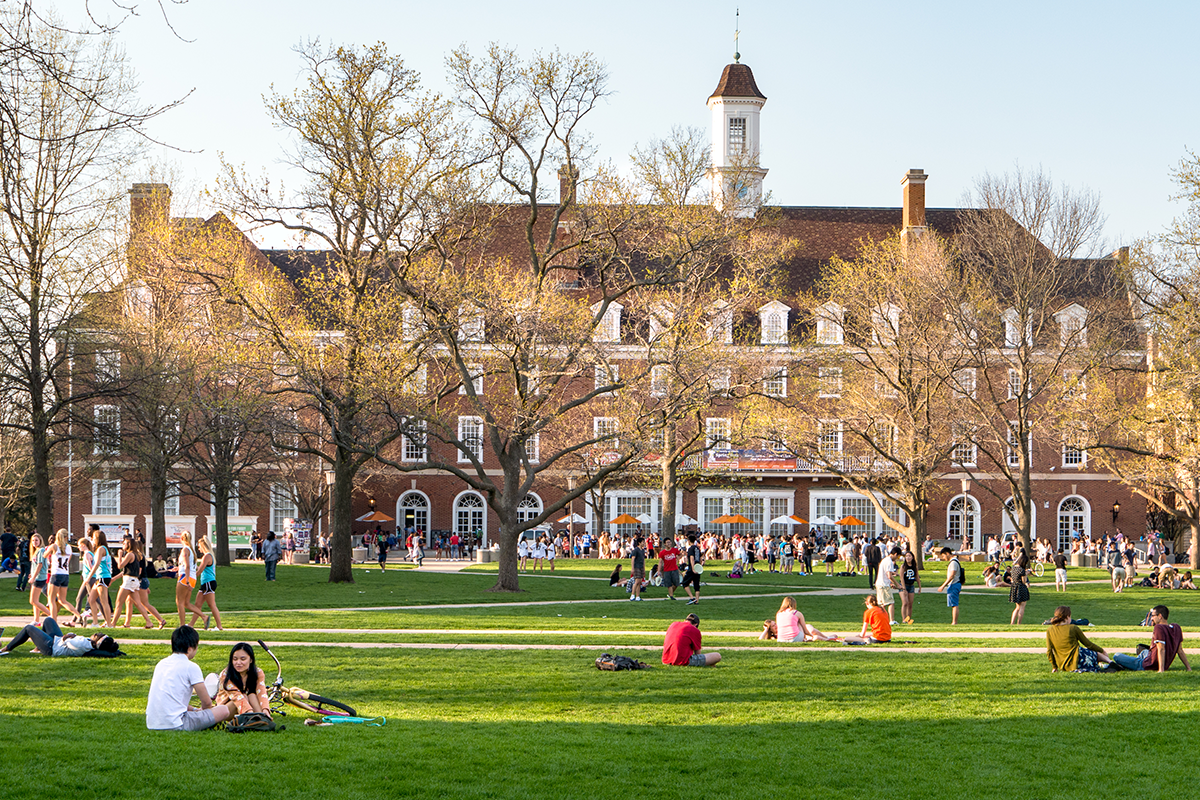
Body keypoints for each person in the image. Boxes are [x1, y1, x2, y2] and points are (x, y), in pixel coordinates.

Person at [146, 625, 237, 731]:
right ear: (190, 649)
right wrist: (205, 712)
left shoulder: (161, 664)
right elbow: (207, 702)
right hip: (177, 724)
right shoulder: (191, 666)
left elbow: (173, 701)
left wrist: (194, 710)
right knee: (224, 710)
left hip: (152, 723)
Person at [1111, 605, 1192, 672]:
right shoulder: (1176, 627)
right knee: (1144, 652)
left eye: (1153, 615)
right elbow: (1180, 650)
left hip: (1148, 665)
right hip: (1154, 659)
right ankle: (1128, 664)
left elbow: (1161, 649)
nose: (1151, 618)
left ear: (1160, 616)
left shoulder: (1159, 628)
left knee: (1117, 656)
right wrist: (1188, 668)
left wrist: (1161, 669)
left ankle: (1123, 665)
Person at [116, 536, 167, 629]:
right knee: (129, 601)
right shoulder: (138, 555)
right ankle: (127, 623)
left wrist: (140, 584)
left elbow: (138, 571)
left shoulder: (137, 556)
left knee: (143, 603)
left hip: (139, 580)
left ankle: (160, 620)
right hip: (140, 580)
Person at [0, 619, 120, 656]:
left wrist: (68, 636)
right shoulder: (89, 643)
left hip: (51, 647)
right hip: (57, 641)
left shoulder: (82, 645)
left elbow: (66, 640)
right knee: (48, 620)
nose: (96, 633)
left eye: (98, 635)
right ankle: (37, 648)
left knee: (28, 628)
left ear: (97, 641)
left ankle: (7, 648)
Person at [1045, 606, 1111, 672]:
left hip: (1063, 665)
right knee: (1093, 652)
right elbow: (1088, 644)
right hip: (1077, 661)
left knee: (1085, 651)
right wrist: (1102, 650)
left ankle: (1107, 662)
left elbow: (1049, 651)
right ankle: (1110, 662)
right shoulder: (1073, 628)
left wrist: (1054, 667)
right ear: (1068, 617)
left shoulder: (1049, 630)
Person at [215, 642, 271, 716]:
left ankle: (262, 718)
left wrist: (265, 709)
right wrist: (249, 712)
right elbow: (236, 696)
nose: (238, 662)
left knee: (252, 696)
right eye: (235, 659)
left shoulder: (258, 672)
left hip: (245, 704)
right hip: (226, 709)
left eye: (243, 659)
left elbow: (262, 692)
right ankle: (252, 719)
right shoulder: (226, 674)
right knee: (243, 696)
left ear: (251, 660)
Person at [759, 596, 838, 642]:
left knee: (807, 627)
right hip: (795, 638)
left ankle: (827, 638)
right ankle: (826, 638)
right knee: (799, 623)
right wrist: (810, 636)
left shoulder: (778, 613)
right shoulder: (796, 613)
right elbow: (804, 629)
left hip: (781, 639)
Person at [44, 529, 80, 625]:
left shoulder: (54, 546)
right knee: (62, 600)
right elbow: (67, 561)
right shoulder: (69, 548)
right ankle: (79, 616)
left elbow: (44, 556)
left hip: (56, 574)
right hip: (65, 574)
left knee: (51, 599)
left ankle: (54, 621)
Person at [174, 531, 207, 626]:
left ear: (182, 539)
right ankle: (204, 617)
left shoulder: (185, 550)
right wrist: (178, 568)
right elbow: (188, 565)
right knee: (186, 603)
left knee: (179, 602)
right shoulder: (191, 550)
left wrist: (187, 580)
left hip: (185, 577)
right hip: (192, 577)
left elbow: (187, 566)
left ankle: (182, 625)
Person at [190, 536, 222, 631]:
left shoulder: (207, 556)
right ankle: (191, 624)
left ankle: (219, 626)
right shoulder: (208, 556)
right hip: (205, 583)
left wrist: (189, 578)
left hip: (208, 582)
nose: (198, 549)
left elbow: (199, 571)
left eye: (199, 546)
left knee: (211, 604)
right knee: (197, 604)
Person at [936, 546, 963, 625]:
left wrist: (943, 586)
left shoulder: (953, 562)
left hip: (954, 584)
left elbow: (952, 575)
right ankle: (954, 621)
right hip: (956, 584)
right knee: (953, 604)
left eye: (944, 556)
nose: (944, 558)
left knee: (954, 604)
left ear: (947, 553)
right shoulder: (955, 561)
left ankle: (954, 622)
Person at [876, 546, 901, 623]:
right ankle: (892, 620)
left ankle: (878, 618)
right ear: (895, 554)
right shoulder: (889, 561)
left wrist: (890, 582)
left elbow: (886, 573)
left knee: (883, 604)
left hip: (880, 584)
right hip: (884, 585)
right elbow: (889, 575)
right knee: (890, 602)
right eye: (898, 556)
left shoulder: (885, 560)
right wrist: (897, 584)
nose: (897, 559)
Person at [899, 550, 921, 624]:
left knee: (910, 604)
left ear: (912, 557)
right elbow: (901, 577)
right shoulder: (903, 566)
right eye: (906, 556)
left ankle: (908, 619)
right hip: (904, 586)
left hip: (911, 586)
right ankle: (903, 619)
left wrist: (920, 587)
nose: (908, 558)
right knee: (905, 602)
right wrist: (904, 588)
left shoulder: (914, 566)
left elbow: (917, 577)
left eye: (909, 556)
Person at [1010, 548, 1031, 625]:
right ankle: (1019, 623)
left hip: (1014, 587)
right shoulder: (1022, 570)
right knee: (1022, 607)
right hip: (1021, 588)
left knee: (1017, 607)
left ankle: (1012, 622)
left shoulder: (1014, 568)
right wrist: (1026, 574)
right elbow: (1024, 581)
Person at [683, 533, 704, 605]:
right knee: (696, 584)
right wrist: (700, 566)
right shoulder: (697, 548)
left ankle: (692, 598)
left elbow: (692, 559)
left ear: (688, 541)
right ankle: (697, 600)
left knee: (685, 583)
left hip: (693, 568)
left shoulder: (690, 549)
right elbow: (701, 558)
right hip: (698, 567)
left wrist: (692, 568)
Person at [628, 536, 646, 601]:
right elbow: (633, 559)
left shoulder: (643, 550)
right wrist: (632, 568)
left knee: (640, 582)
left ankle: (638, 596)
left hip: (641, 567)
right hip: (636, 567)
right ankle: (632, 595)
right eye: (643, 542)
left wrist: (644, 569)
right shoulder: (636, 550)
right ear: (639, 543)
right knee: (637, 581)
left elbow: (643, 560)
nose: (644, 543)